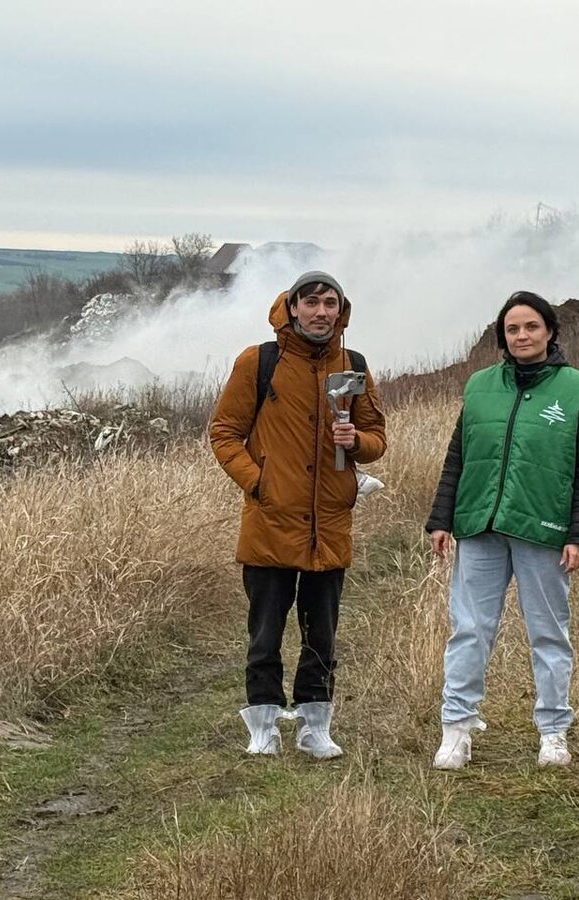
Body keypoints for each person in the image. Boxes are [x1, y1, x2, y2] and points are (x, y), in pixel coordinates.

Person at [210, 271, 386, 759]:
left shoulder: (353, 366)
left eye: (330, 303)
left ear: (341, 311)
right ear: (291, 308)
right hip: (270, 521)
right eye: (311, 302)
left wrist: (359, 444)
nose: (321, 312)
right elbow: (224, 432)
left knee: (321, 633)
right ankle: (262, 724)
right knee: (264, 631)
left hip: (328, 524)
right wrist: (258, 482)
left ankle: (315, 725)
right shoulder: (259, 362)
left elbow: (376, 437)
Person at [425, 291, 579, 769]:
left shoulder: (578, 390)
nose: (522, 336)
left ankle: (553, 732)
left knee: (548, 633)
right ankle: (456, 729)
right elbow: (458, 456)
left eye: (531, 327)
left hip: (542, 529)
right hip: (479, 524)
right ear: (502, 336)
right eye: (512, 329)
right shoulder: (480, 386)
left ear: (549, 331)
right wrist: (442, 518)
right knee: (469, 629)